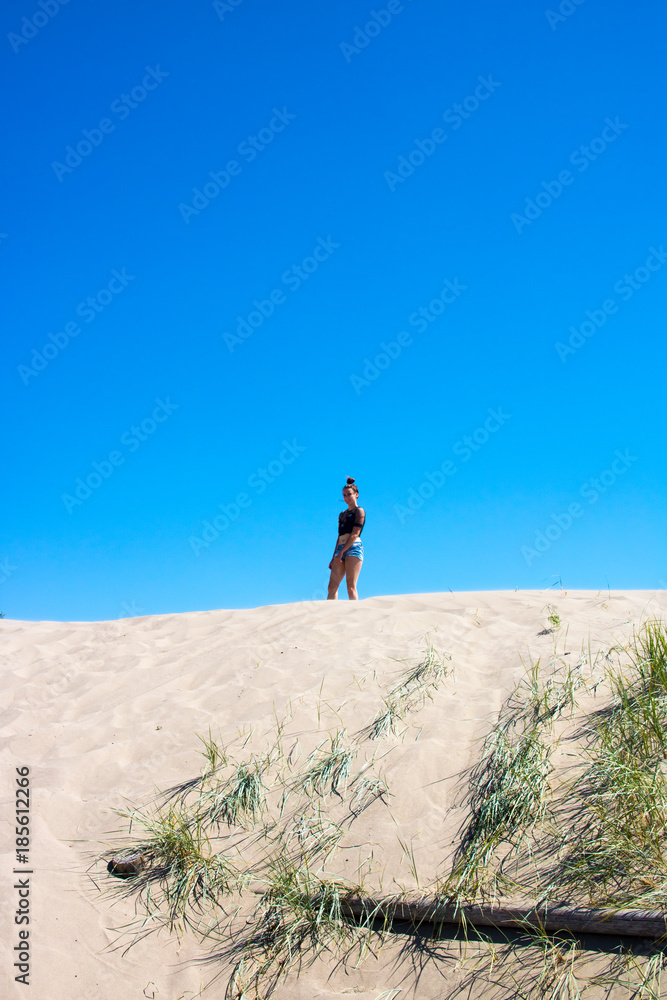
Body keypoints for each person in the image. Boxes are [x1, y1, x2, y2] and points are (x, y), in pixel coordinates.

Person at [327, 477, 365, 601]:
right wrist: (334, 556)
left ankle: (356, 615)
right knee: (331, 587)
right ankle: (329, 614)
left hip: (353, 548)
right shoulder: (342, 514)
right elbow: (339, 537)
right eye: (344, 495)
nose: (346, 497)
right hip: (340, 549)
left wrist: (342, 552)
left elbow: (355, 534)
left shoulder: (359, 511)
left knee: (351, 587)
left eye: (349, 494)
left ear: (356, 495)